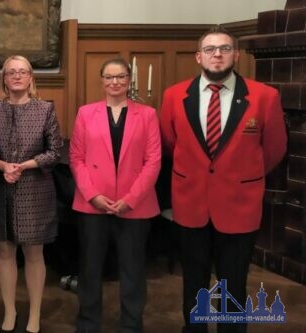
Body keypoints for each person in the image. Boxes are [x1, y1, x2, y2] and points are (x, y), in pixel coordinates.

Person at [160, 25, 287, 333]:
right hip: (191, 206)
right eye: (210, 49)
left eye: (225, 49)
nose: (217, 54)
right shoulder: (174, 96)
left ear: (236, 55)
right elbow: (170, 143)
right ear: (198, 57)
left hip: (239, 207)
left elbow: (273, 150)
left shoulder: (264, 97)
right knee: (194, 282)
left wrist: (239, 177)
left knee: (234, 284)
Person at [69, 58, 162, 333]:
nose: (115, 82)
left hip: (135, 206)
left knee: (133, 271)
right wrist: (93, 195)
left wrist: (131, 198)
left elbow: (153, 161)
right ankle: (87, 323)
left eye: (120, 77)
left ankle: (131, 324)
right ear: (102, 81)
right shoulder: (86, 113)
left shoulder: (147, 114)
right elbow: (76, 158)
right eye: (109, 77)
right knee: (90, 269)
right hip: (93, 204)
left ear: (129, 79)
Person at [0, 55, 63, 333]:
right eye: (11, 72)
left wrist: (24, 165)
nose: (16, 76)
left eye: (22, 72)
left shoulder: (45, 109)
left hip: (35, 188)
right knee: (4, 249)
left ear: (30, 78)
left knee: (34, 251)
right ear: (4, 78)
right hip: (0, 188)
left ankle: (35, 313)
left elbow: (55, 151)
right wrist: (2, 165)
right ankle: (10, 310)